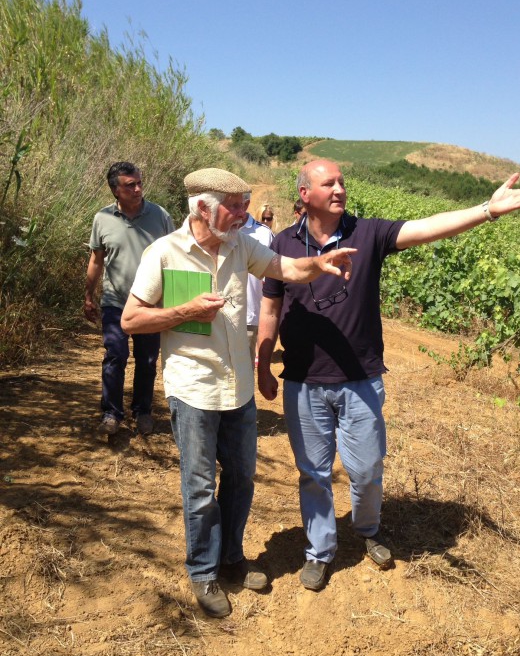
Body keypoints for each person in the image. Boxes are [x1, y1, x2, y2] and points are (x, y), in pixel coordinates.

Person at [257, 159, 520, 592]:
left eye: (341, 181)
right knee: (312, 474)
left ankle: (368, 530)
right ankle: (319, 551)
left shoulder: (369, 233)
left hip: (360, 379)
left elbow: (429, 226)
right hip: (303, 381)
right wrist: (263, 361)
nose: (339, 188)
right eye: (328, 183)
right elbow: (271, 308)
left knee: (367, 468)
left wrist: (486, 210)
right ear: (305, 194)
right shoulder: (281, 244)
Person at [120, 167, 355, 618]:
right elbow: (132, 319)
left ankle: (231, 556)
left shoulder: (241, 245)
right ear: (203, 209)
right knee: (200, 485)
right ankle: (203, 572)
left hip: (238, 389)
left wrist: (316, 265)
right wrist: (184, 310)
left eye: (246, 203)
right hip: (194, 389)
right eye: (234, 205)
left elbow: (284, 267)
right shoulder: (163, 254)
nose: (244, 213)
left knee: (242, 478)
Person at [85, 161, 174, 437]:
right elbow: (97, 260)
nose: (138, 189)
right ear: (115, 190)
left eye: (139, 183)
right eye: (130, 185)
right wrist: (89, 295)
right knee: (115, 354)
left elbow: (175, 257)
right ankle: (111, 413)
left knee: (147, 360)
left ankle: (142, 411)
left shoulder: (159, 215)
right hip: (115, 301)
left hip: (151, 304)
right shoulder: (103, 219)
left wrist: (171, 301)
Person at [239, 193, 274, 367]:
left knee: (244, 371)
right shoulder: (217, 229)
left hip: (248, 313)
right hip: (216, 315)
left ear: (246, 203)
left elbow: (274, 275)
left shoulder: (263, 234)